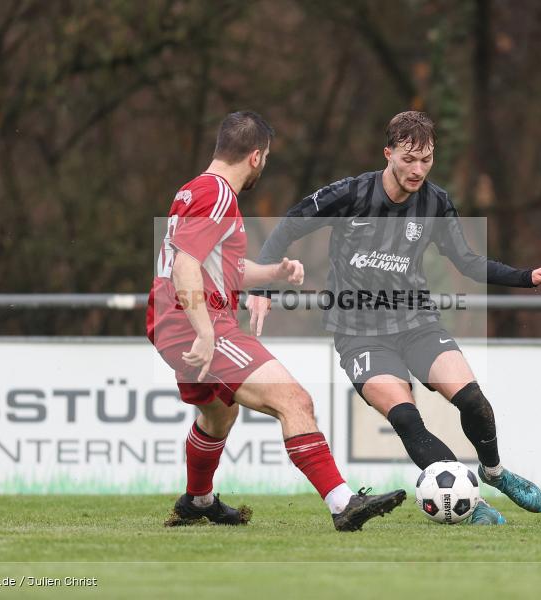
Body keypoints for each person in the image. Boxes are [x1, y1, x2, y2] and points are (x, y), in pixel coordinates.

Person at [247, 111, 541, 524]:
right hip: (359, 334)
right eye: (409, 159)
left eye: (427, 159)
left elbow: (467, 262)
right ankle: (472, 508)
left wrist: (526, 276)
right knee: (406, 418)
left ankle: (494, 472)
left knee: (473, 401)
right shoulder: (351, 194)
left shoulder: (434, 202)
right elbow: (290, 224)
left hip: (417, 323)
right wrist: (260, 285)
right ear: (388, 154)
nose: (418, 169)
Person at [147, 111, 406, 532]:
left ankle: (198, 501)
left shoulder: (198, 191)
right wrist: (206, 332)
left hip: (173, 320)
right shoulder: (216, 195)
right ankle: (343, 505)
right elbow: (186, 266)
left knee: (218, 415)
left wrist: (274, 273)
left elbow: (219, 266)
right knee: (295, 401)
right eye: (265, 158)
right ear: (255, 157)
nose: (263, 166)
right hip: (194, 320)